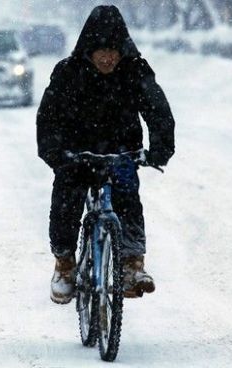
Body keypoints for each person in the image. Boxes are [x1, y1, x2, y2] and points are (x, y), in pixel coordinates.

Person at [36, 5, 175, 304]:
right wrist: (55, 153)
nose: (109, 57)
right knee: (66, 202)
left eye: (114, 50)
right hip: (77, 155)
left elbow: (157, 110)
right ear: (89, 49)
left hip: (122, 153)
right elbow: (48, 116)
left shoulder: (135, 70)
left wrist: (160, 149)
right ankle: (64, 264)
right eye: (102, 50)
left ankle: (132, 264)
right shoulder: (68, 72)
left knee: (128, 198)